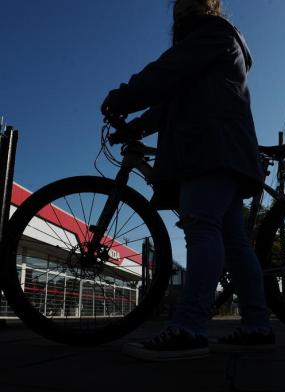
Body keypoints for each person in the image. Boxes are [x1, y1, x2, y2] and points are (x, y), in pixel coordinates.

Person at [101, 0, 274, 361]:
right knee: (233, 242)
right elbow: (171, 101)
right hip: (222, 147)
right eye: (178, 9)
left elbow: (168, 71)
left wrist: (124, 96)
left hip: (209, 146)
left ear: (212, 8)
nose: (182, 13)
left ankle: (190, 328)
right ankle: (258, 325)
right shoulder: (213, 43)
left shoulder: (211, 34)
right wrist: (135, 126)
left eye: (191, 5)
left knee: (201, 228)